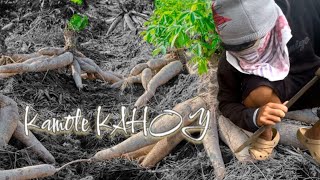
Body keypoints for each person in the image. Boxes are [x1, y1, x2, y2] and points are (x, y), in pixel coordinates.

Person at [213, 0, 320, 162]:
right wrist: (255, 117)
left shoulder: (304, 8)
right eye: (238, 49)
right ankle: (265, 133)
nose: (247, 56)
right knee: (259, 94)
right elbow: (226, 102)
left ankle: (315, 135)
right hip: (268, 91)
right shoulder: (228, 61)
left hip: (311, 76)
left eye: (252, 45)